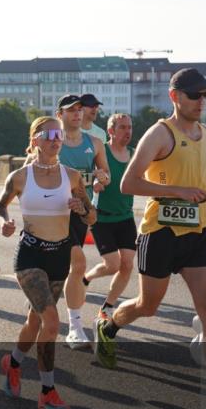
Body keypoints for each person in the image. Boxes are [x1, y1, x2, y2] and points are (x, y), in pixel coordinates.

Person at [94, 68, 206, 409]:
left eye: (205, 95)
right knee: (148, 306)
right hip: (160, 233)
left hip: (197, 232)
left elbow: (203, 175)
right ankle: (109, 325)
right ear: (174, 96)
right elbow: (129, 183)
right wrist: (177, 191)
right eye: (194, 95)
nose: (201, 101)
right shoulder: (160, 133)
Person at [0, 116, 95, 409]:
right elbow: (1, 205)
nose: (55, 140)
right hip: (30, 257)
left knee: (35, 322)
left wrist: (82, 208)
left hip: (59, 257)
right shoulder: (20, 177)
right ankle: (47, 392)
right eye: (49, 135)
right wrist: (5, 222)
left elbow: (92, 217)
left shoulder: (72, 176)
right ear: (35, 139)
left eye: (59, 135)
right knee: (51, 322)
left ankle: (13, 363)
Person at [53, 94, 110, 349]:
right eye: (70, 110)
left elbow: (105, 175)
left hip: (81, 211)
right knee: (77, 264)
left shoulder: (95, 143)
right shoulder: (52, 142)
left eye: (79, 109)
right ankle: (75, 328)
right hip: (53, 213)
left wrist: (101, 179)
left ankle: (72, 326)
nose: (77, 114)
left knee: (71, 268)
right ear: (60, 115)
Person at [82, 114, 137, 321]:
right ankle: (86, 278)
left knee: (127, 265)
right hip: (102, 218)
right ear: (111, 131)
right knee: (112, 265)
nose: (127, 131)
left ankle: (107, 307)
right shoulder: (101, 150)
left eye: (129, 127)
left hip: (125, 217)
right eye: (122, 127)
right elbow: (86, 176)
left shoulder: (134, 154)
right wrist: (95, 183)